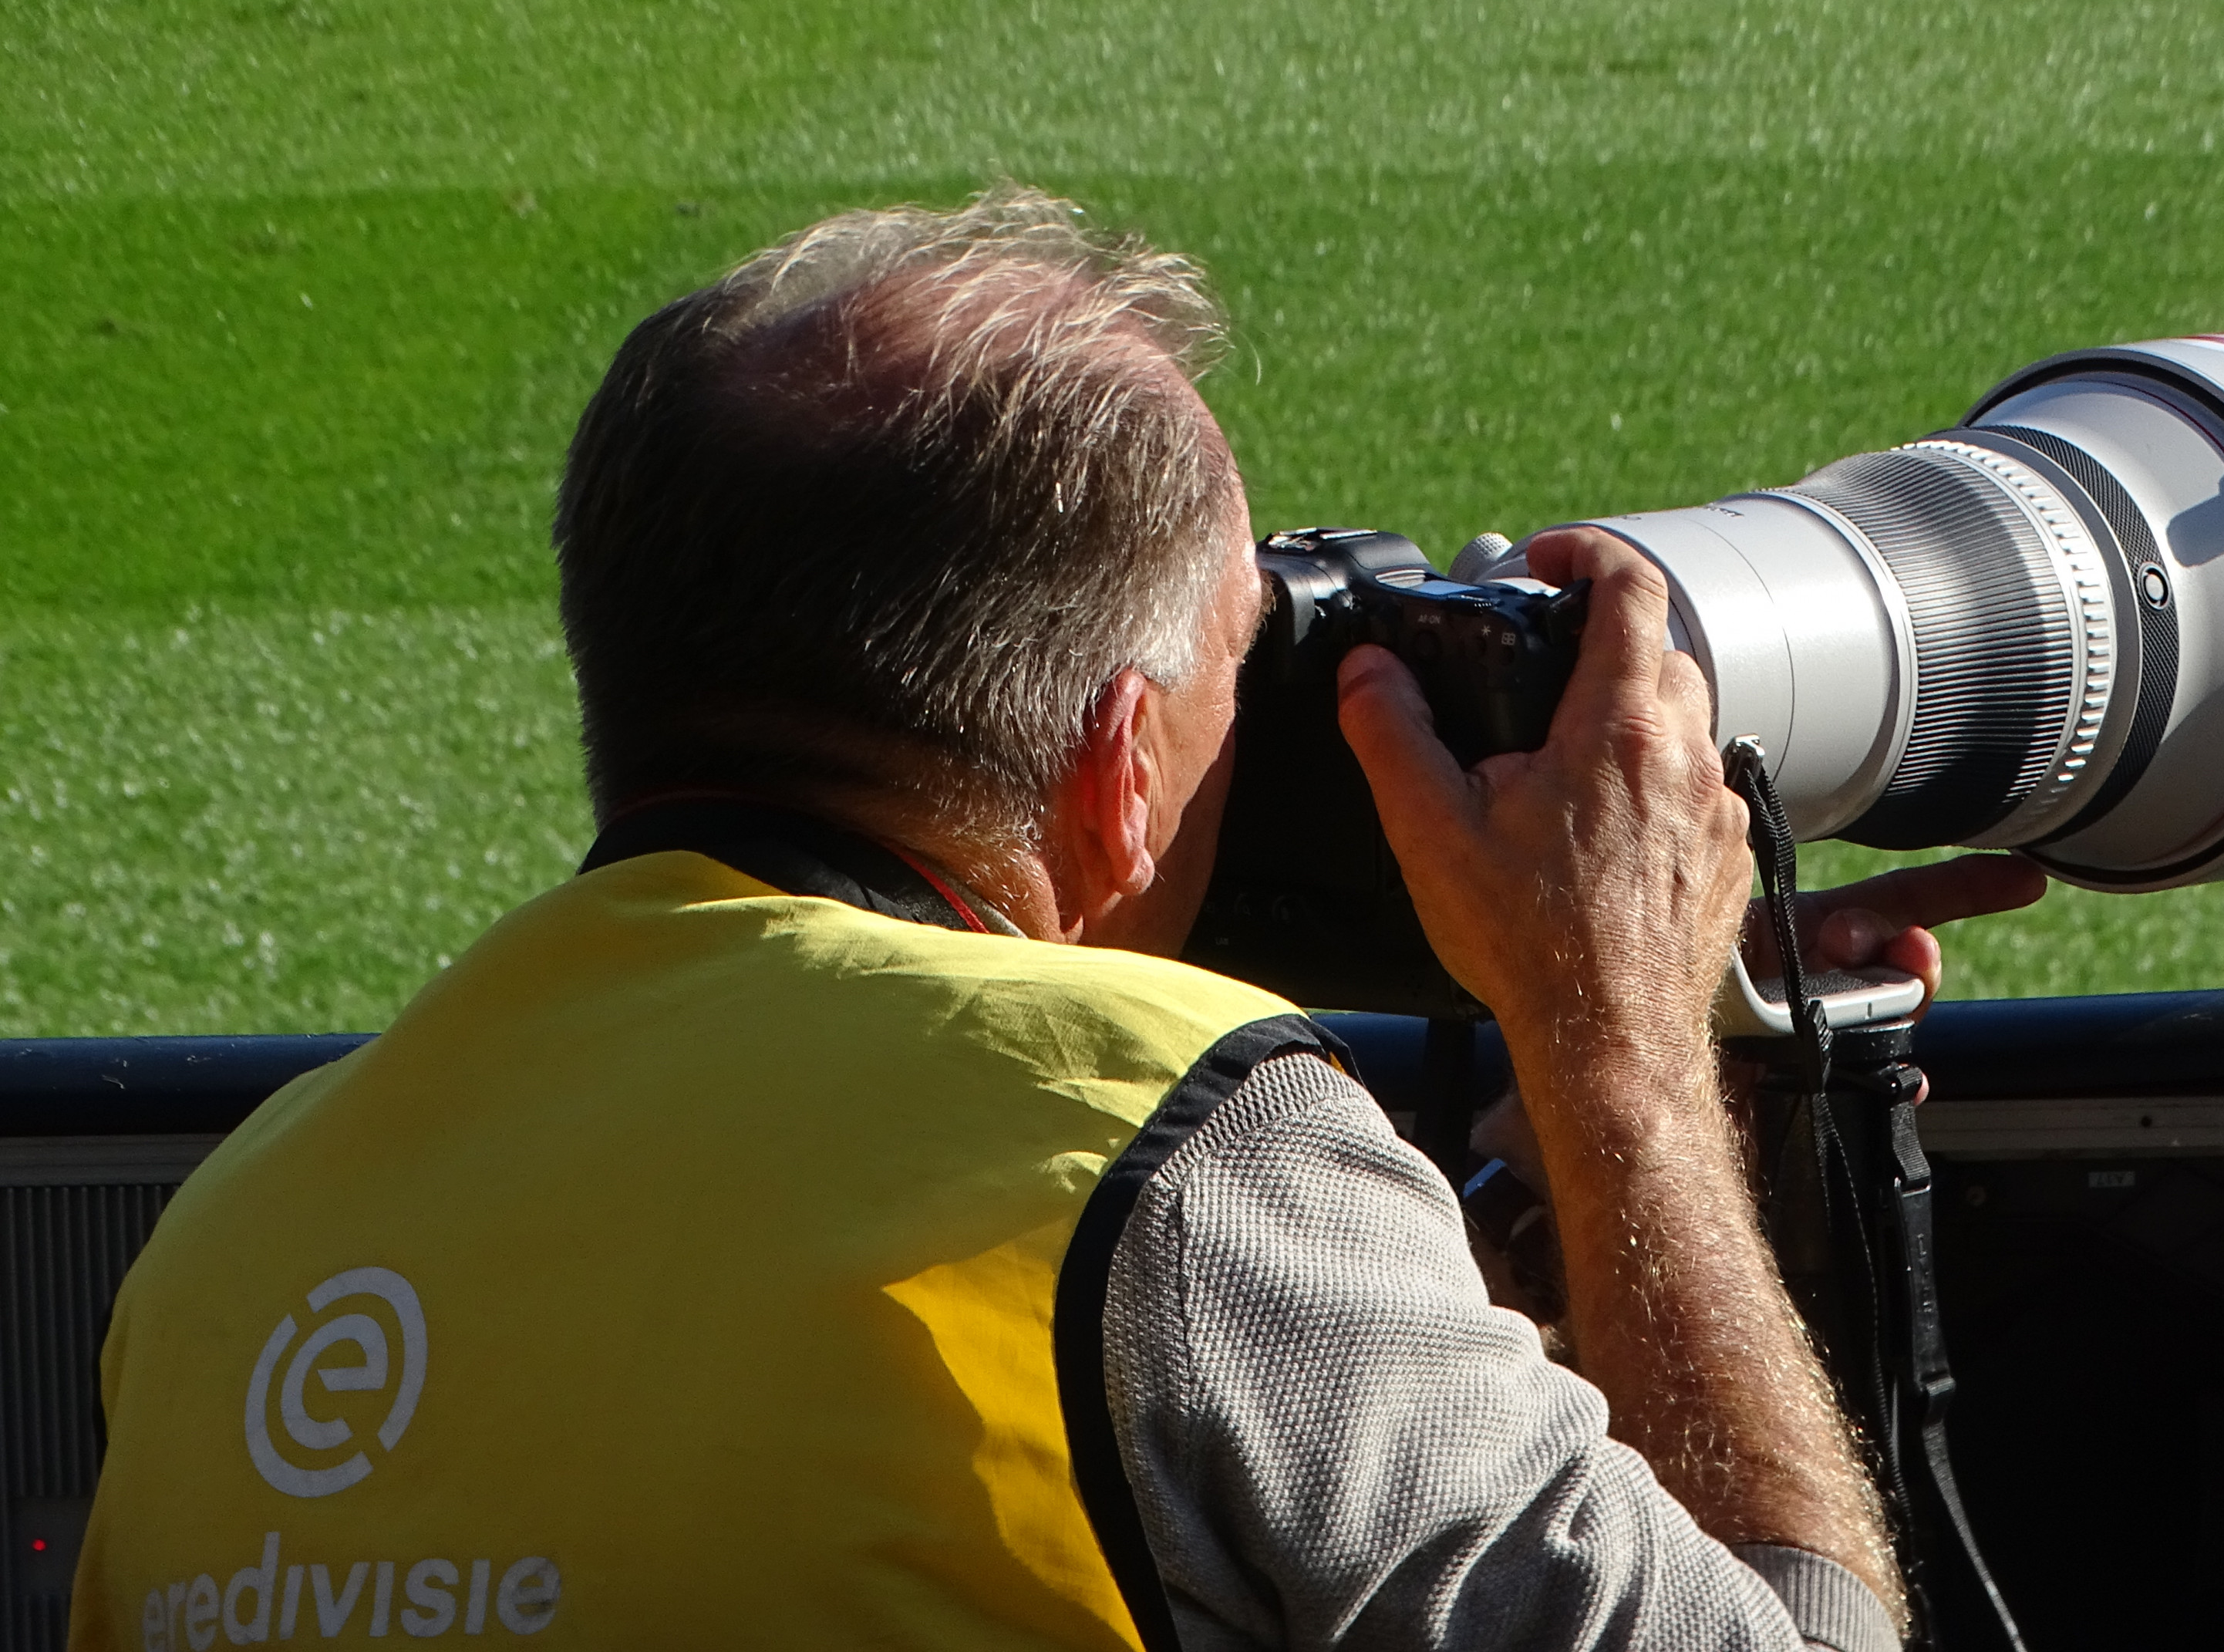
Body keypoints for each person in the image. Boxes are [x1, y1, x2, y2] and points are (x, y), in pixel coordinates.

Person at [74, 190, 2043, 1652]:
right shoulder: (1161, 1137)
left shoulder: (246, 1226)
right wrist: (1621, 1062)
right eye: (1245, 679)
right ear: (1115, 764)